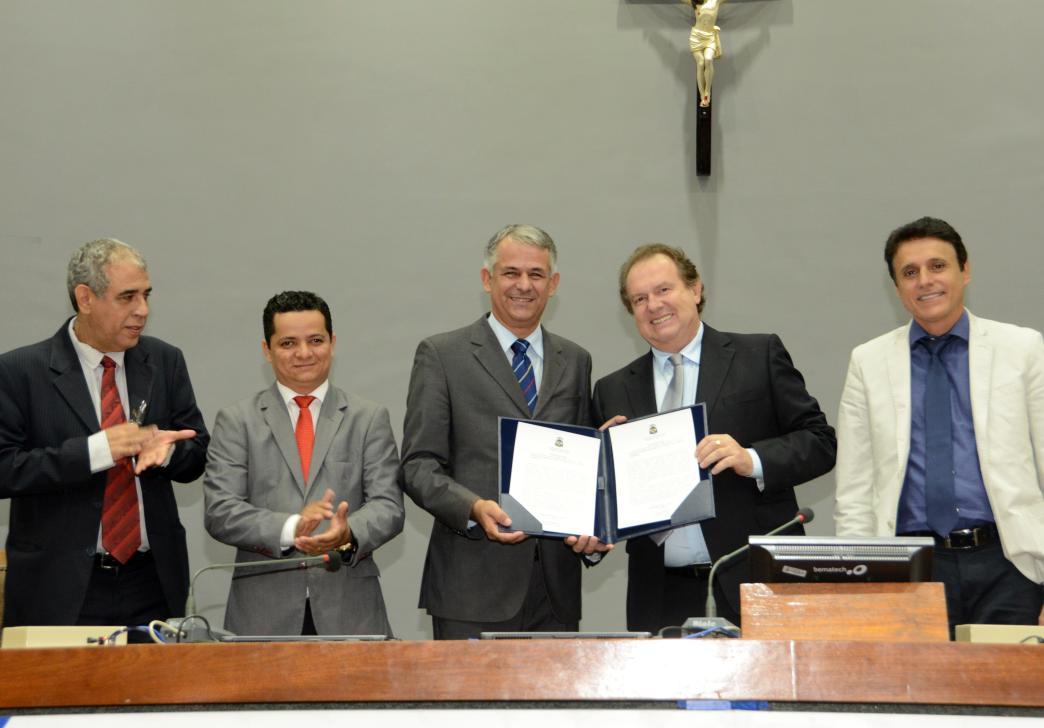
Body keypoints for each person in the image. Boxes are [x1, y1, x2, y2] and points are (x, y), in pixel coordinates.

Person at [592, 243, 835, 633]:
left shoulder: (758, 354)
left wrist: (751, 458)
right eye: (639, 298)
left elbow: (821, 442)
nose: (653, 305)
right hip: (659, 594)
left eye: (663, 290)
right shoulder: (612, 390)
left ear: (696, 290)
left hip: (754, 579)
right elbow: (604, 507)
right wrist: (600, 479)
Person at [834, 216, 1044, 630]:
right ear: (896, 287)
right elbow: (854, 489)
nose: (924, 281)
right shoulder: (868, 361)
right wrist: (858, 584)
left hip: (1011, 564)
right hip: (909, 570)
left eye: (938, 266)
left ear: (965, 271)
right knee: (915, 693)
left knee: (1009, 693)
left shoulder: (1022, 349)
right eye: (909, 273)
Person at [401, 224, 606, 640]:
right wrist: (474, 508)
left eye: (536, 274)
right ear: (486, 279)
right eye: (511, 273)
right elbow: (418, 465)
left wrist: (598, 525)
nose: (524, 285)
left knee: (555, 708)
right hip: (471, 588)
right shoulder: (442, 355)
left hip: (555, 591)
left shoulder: (577, 360)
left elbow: (583, 464)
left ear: (554, 284)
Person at [0, 238, 208, 632]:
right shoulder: (19, 371)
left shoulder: (164, 361)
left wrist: (165, 454)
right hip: (61, 589)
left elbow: (196, 452)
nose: (142, 311)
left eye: (146, 295)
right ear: (85, 298)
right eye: (127, 297)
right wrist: (96, 450)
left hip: (153, 583)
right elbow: (4, 468)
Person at [204, 291, 403, 636]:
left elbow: (388, 506)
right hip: (262, 615)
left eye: (315, 340)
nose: (304, 354)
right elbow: (221, 510)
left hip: (350, 609)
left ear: (333, 342)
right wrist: (293, 527)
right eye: (288, 343)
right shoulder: (237, 421)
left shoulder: (369, 417)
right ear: (266, 350)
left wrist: (348, 533)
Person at [648, 0, 763, 107]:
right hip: (696, 37)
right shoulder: (693, 3)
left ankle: (707, 90)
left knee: (708, 60)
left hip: (709, 37)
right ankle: (703, 96)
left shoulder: (716, 1)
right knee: (701, 63)